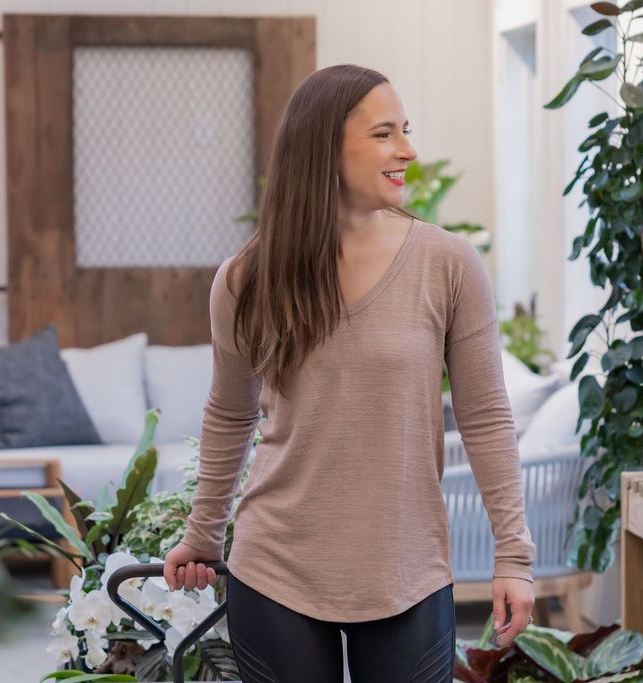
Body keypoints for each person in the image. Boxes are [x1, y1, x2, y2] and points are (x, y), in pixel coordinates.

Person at [163, 63, 535, 682]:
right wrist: (203, 532)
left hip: (407, 572)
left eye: (405, 131)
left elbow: (486, 417)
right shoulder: (244, 278)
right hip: (275, 567)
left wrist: (514, 559)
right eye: (385, 133)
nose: (408, 150)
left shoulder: (448, 263)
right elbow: (230, 412)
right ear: (324, 148)